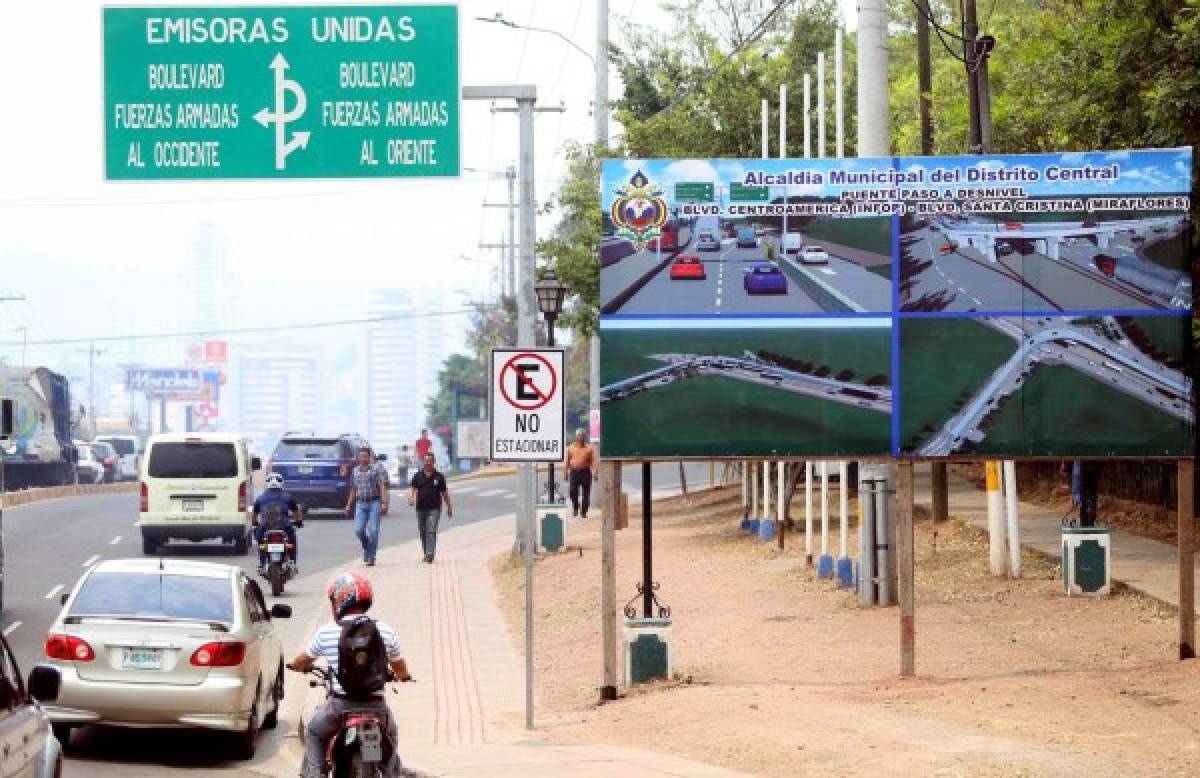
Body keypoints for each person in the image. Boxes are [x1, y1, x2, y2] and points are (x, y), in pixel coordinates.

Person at [289, 572, 411, 778]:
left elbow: (303, 660)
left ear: (339, 600)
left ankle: (315, 773)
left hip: (339, 709)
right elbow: (400, 666)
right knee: (391, 734)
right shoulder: (385, 630)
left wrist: (295, 665)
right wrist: (403, 676)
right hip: (376, 708)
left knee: (313, 732)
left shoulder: (327, 632)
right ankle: (392, 773)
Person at [345, 447, 389, 566]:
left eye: (365, 456)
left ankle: (371, 556)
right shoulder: (355, 471)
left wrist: (384, 502)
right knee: (358, 530)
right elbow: (353, 489)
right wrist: (348, 505)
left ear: (369, 457)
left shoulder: (376, 469)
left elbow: (381, 486)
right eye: (361, 456)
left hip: (374, 502)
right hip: (360, 503)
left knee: (373, 530)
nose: (363, 459)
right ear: (358, 458)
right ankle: (367, 546)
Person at [253, 472, 302, 574]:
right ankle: (293, 562)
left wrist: (255, 524)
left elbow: (254, 515)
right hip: (284, 526)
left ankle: (262, 564)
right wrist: (298, 522)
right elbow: (296, 511)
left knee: (260, 541)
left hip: (265, 527)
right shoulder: (287, 497)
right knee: (292, 540)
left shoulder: (260, 498)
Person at [408, 452, 452, 563]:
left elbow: (445, 493)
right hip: (421, 508)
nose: (428, 463)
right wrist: (411, 498)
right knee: (423, 531)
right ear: (424, 462)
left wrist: (449, 507)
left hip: (435, 508)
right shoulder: (418, 476)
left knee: (431, 530)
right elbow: (412, 488)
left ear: (433, 462)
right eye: (426, 461)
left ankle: (430, 554)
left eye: (430, 461)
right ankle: (426, 552)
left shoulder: (439, 476)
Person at [563, 428, 597, 518]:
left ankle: (584, 512)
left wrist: (594, 473)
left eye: (582, 435)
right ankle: (575, 507)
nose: (580, 437)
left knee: (586, 494)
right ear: (576, 436)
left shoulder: (589, 448)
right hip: (574, 472)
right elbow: (567, 461)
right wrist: (565, 472)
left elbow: (593, 462)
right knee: (572, 491)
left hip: (585, 472)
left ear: (585, 437)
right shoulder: (570, 448)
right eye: (579, 435)